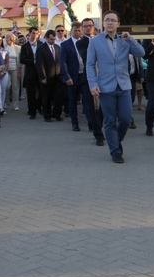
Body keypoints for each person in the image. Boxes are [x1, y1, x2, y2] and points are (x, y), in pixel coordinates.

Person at [86, 10, 145, 163]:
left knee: (126, 119)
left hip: (124, 85)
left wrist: (130, 39)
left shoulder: (125, 40)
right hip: (105, 86)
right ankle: (115, 151)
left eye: (113, 20)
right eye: (107, 20)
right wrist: (93, 84)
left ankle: (115, 141)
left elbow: (141, 53)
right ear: (103, 23)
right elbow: (90, 64)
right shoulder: (95, 41)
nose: (110, 22)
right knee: (110, 120)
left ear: (118, 24)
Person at [77, 18, 105, 146]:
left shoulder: (101, 39)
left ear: (94, 27)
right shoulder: (81, 42)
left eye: (90, 26)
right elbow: (87, 57)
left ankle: (100, 126)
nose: (88, 28)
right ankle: (97, 134)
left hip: (104, 77)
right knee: (91, 108)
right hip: (88, 79)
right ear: (82, 28)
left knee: (103, 108)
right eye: (85, 26)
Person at [36, 29, 66, 122]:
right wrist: (43, 77)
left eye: (54, 39)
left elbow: (60, 61)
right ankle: (47, 115)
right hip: (47, 77)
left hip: (57, 77)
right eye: (51, 39)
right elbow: (40, 64)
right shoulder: (41, 49)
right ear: (46, 38)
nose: (53, 41)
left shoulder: (57, 47)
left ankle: (57, 114)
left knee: (58, 97)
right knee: (47, 97)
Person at [60, 22, 85, 131]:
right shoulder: (65, 44)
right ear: (71, 31)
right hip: (72, 77)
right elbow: (63, 62)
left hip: (84, 76)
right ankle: (74, 123)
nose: (77, 32)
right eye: (75, 30)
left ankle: (91, 123)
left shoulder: (85, 42)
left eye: (79, 30)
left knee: (87, 101)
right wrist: (67, 76)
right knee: (73, 100)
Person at [19, 27, 42, 119]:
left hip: (40, 72)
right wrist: (33, 61)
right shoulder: (25, 46)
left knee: (41, 91)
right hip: (30, 72)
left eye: (36, 33)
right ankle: (32, 111)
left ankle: (39, 107)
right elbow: (22, 59)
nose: (35, 35)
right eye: (33, 33)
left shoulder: (41, 44)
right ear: (29, 34)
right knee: (31, 92)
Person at [4, 33, 22, 111]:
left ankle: (15, 104)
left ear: (12, 38)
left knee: (15, 87)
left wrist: (19, 70)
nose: (6, 39)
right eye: (6, 37)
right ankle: (6, 103)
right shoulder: (4, 48)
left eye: (8, 37)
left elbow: (19, 60)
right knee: (7, 87)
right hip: (6, 69)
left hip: (15, 68)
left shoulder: (18, 48)